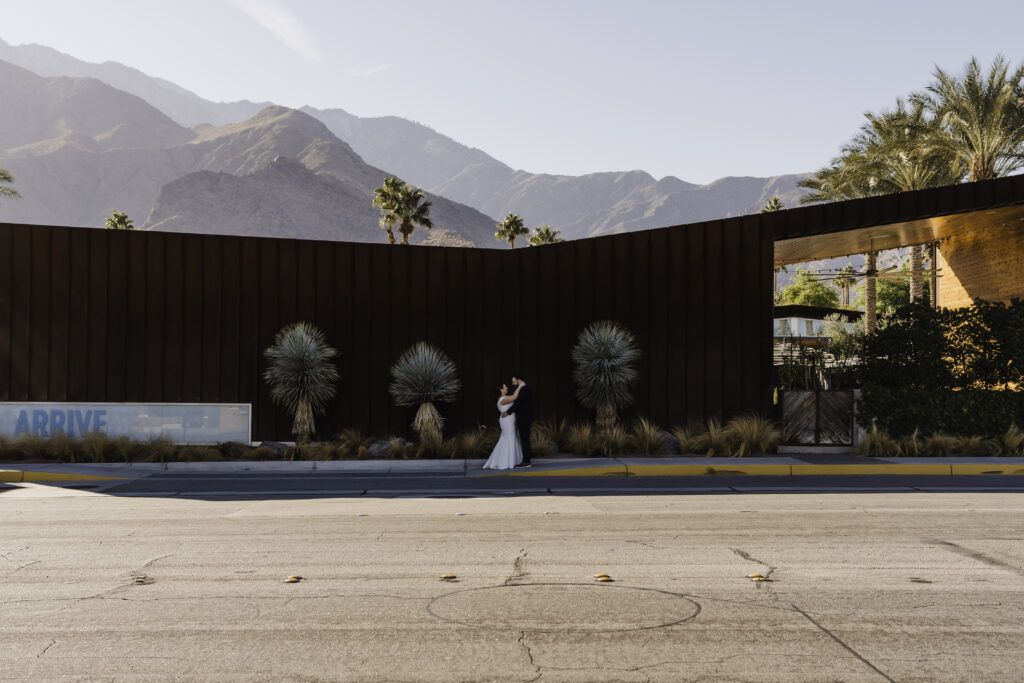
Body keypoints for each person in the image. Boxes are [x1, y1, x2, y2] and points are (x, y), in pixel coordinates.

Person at [482, 383, 523, 470]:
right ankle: (510, 462)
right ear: (501, 390)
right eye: (505, 387)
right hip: (507, 422)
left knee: (508, 438)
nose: (507, 387)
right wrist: (520, 385)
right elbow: (515, 397)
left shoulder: (503, 398)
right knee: (510, 438)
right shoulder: (503, 399)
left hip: (508, 421)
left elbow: (514, 397)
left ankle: (509, 460)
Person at [504, 374, 534, 468]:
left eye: (514, 381)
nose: (512, 383)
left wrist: (508, 412)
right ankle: (526, 460)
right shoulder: (522, 388)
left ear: (518, 380)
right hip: (524, 418)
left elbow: (518, 403)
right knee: (524, 439)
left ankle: (526, 461)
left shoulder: (524, 389)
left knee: (525, 439)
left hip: (524, 418)